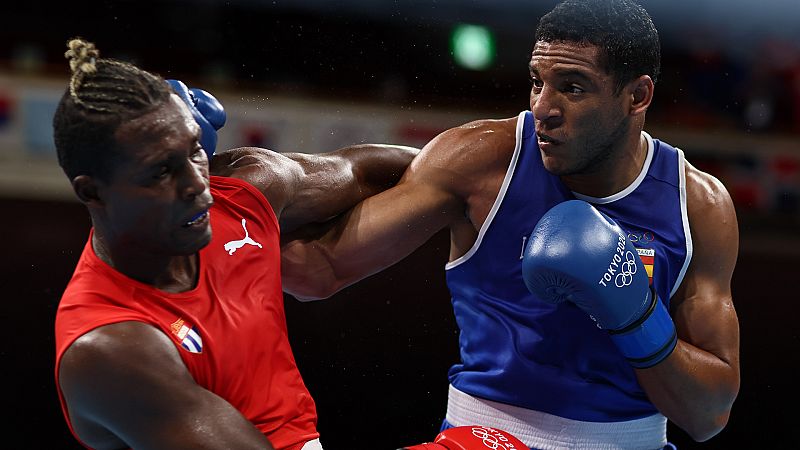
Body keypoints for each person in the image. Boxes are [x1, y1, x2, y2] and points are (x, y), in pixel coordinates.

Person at [280, 0, 740, 448]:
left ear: (636, 96)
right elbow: (319, 270)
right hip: (482, 438)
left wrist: (636, 315)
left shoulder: (696, 205)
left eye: (573, 88)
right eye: (538, 83)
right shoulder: (483, 161)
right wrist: (217, 228)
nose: (543, 107)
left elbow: (709, 417)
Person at [52, 38, 419, 450]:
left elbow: (367, 172)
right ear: (92, 192)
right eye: (160, 172)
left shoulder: (240, 195)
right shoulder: (111, 346)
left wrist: (495, 185)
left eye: (194, 153)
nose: (197, 186)